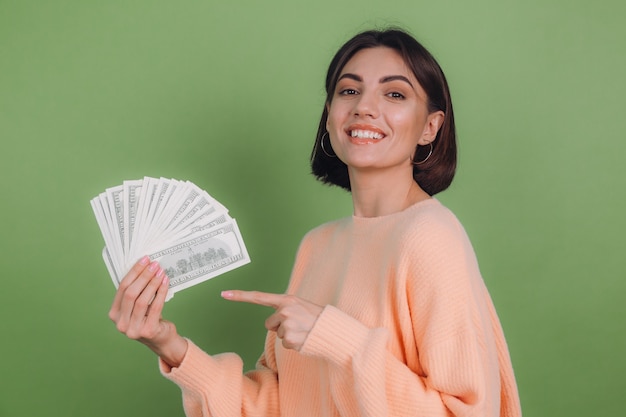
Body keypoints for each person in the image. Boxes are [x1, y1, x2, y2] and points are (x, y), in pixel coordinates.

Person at [109, 28, 522, 417]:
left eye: (394, 93)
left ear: (430, 126)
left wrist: (340, 340)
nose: (364, 106)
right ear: (330, 117)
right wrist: (169, 346)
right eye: (349, 90)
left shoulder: (431, 237)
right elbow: (282, 403)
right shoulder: (319, 244)